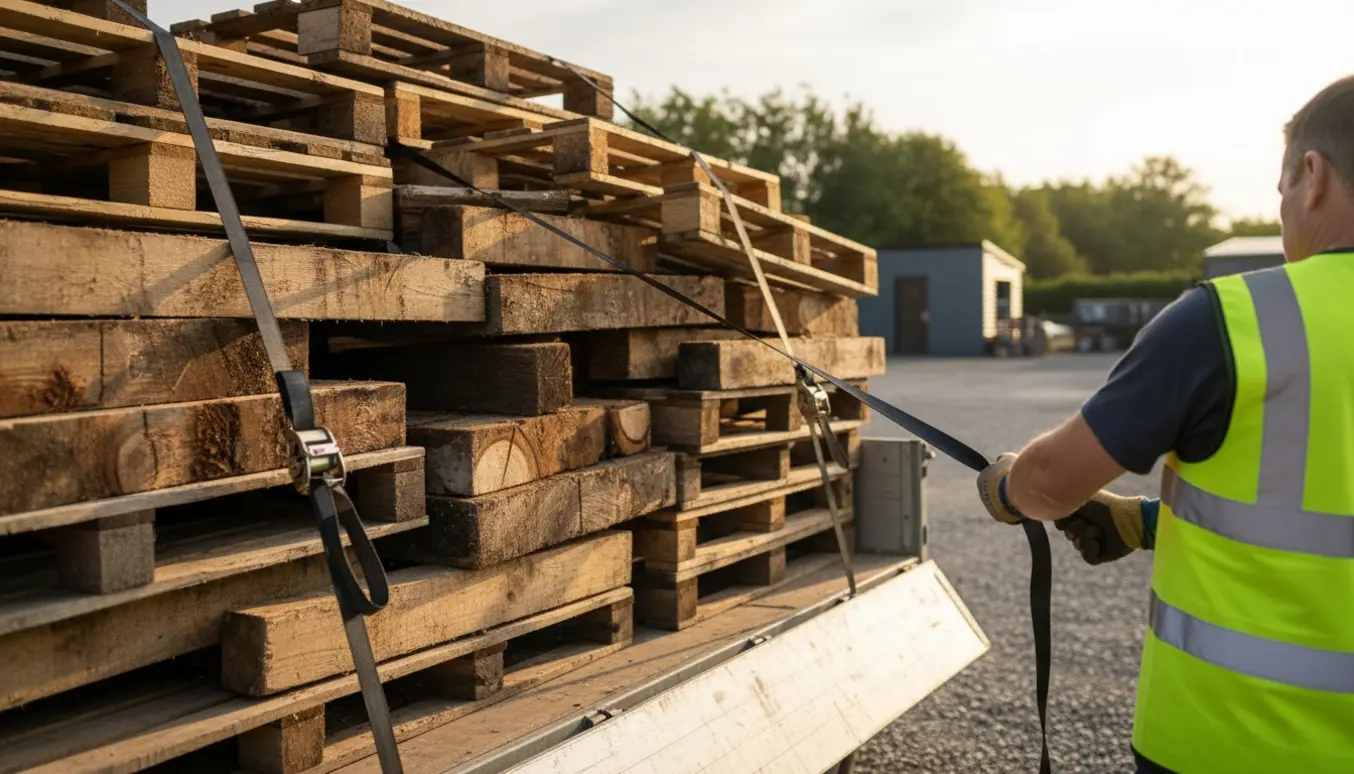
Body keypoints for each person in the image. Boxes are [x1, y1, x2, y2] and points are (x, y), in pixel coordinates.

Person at [976, 75, 1354, 774]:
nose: (1282, 218)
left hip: (1231, 744)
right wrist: (1146, 523)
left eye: (1281, 195)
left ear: (1314, 177)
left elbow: (1053, 481)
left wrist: (1006, 488)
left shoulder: (1234, 322)